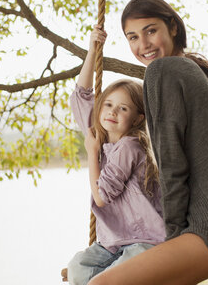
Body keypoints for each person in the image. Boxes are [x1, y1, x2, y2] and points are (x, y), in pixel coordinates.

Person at [87, 0, 208, 285]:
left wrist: (170, 239)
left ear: (172, 27)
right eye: (132, 37)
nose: (142, 45)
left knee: (101, 284)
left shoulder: (162, 72)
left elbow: (172, 166)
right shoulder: (195, 71)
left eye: (150, 31)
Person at [66, 24, 166, 285]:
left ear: (137, 119)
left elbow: (101, 197)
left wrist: (92, 152)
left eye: (123, 109)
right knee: (78, 268)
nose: (112, 112)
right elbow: (81, 94)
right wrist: (92, 50)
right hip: (112, 242)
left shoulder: (129, 146)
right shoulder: (100, 131)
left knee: (114, 278)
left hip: (146, 239)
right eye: (108, 105)